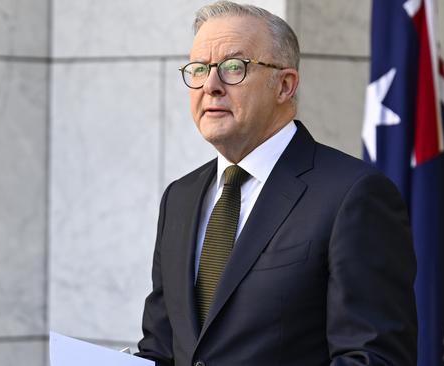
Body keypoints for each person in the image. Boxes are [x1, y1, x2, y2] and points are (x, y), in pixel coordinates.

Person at [137, 2, 417, 365]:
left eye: (233, 68)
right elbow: (161, 348)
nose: (211, 86)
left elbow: (374, 358)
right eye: (199, 69)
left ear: (285, 85)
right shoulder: (180, 197)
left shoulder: (353, 195)